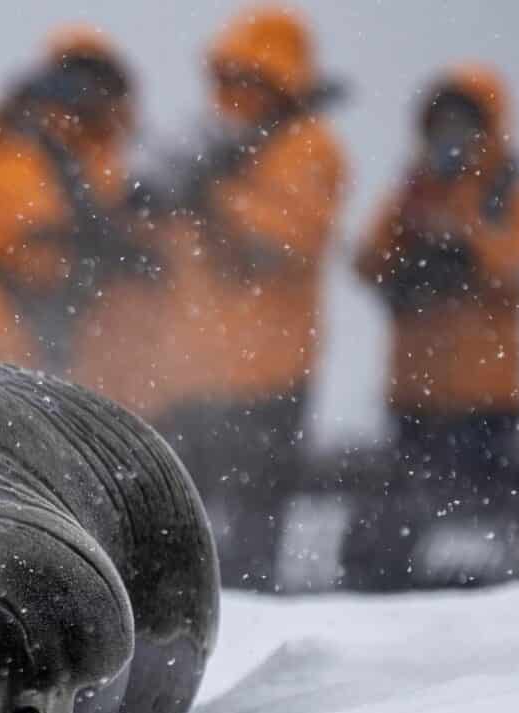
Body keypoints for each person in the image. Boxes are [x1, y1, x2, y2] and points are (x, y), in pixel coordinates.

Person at [145, 5, 347, 589]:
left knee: (253, 538)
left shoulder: (310, 147)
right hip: (194, 374)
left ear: (279, 81)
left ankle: (252, 638)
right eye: (228, 78)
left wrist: (212, 198)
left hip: (270, 377)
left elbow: (289, 240)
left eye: (248, 79)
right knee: (179, 534)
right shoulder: (217, 148)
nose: (233, 92)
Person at [346, 64, 519, 587]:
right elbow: (366, 262)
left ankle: (488, 612)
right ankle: (407, 599)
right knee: (409, 526)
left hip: (488, 399)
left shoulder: (511, 199)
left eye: (463, 124)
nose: (451, 137)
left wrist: (470, 248)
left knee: (484, 527)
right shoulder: (411, 196)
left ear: (487, 130)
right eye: (441, 124)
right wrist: (410, 252)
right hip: (415, 396)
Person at [0, 26, 148, 372]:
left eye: (92, 85)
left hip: (66, 324)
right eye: (68, 81)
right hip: (5, 304)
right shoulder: (3, 147)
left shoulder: (107, 175)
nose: (77, 96)